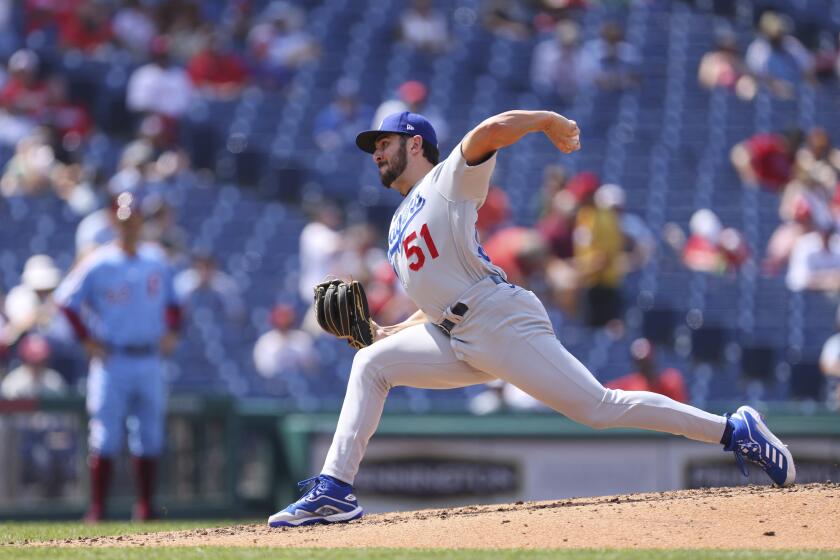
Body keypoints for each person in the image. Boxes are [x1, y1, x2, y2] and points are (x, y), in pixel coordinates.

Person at [267, 110, 796, 528]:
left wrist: (547, 121)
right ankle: (335, 492)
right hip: (457, 333)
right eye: (373, 146)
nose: (376, 151)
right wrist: (385, 333)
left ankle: (733, 430)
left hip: (500, 320)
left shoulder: (448, 178)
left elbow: (490, 130)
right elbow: (434, 305)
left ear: (414, 144)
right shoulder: (395, 226)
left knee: (599, 408)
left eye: (384, 142)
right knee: (372, 363)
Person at [54, 191, 181, 522]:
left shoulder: (156, 258)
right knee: (105, 434)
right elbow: (65, 301)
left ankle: (146, 508)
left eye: (133, 218)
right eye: (123, 219)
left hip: (150, 357)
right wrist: (86, 339)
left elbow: (175, 305)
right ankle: (97, 509)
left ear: (140, 220)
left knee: (150, 434)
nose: (129, 225)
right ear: (113, 221)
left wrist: (172, 332)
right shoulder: (98, 261)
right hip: (113, 359)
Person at [606, 338, 688, 404]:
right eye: (640, 363)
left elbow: (681, 410)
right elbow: (606, 394)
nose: (644, 366)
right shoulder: (629, 385)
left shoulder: (670, 381)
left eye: (647, 362)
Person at [1, 334, 67, 399]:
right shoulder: (13, 383)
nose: (37, 365)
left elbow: (63, 408)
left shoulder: (54, 381)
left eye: (41, 361)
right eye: (33, 362)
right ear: (25, 360)